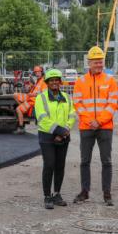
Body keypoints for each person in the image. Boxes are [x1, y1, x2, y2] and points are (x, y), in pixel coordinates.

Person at [73, 46, 118, 206]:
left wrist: (99, 121)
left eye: (101, 62)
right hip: (86, 127)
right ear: (89, 63)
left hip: (104, 127)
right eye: (96, 62)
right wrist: (89, 121)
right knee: (85, 161)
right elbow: (77, 104)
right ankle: (84, 192)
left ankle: (107, 194)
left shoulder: (110, 80)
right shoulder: (80, 82)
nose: (99, 65)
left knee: (106, 161)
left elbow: (112, 104)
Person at [34, 69, 76, 209]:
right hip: (47, 136)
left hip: (63, 136)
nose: (54, 82)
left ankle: (57, 194)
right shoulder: (41, 98)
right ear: (47, 83)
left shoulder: (66, 97)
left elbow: (72, 115)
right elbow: (42, 119)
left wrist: (66, 130)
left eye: (56, 80)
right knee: (49, 164)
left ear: (60, 82)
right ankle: (47, 196)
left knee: (60, 166)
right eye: (51, 80)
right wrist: (59, 131)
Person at [13, 66, 47, 135]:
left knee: (18, 109)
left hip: (34, 101)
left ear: (42, 72)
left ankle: (21, 128)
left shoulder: (44, 81)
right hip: (30, 98)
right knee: (15, 95)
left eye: (38, 72)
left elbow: (44, 94)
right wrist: (29, 87)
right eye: (36, 72)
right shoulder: (37, 80)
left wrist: (33, 94)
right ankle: (24, 110)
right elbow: (31, 90)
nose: (37, 74)